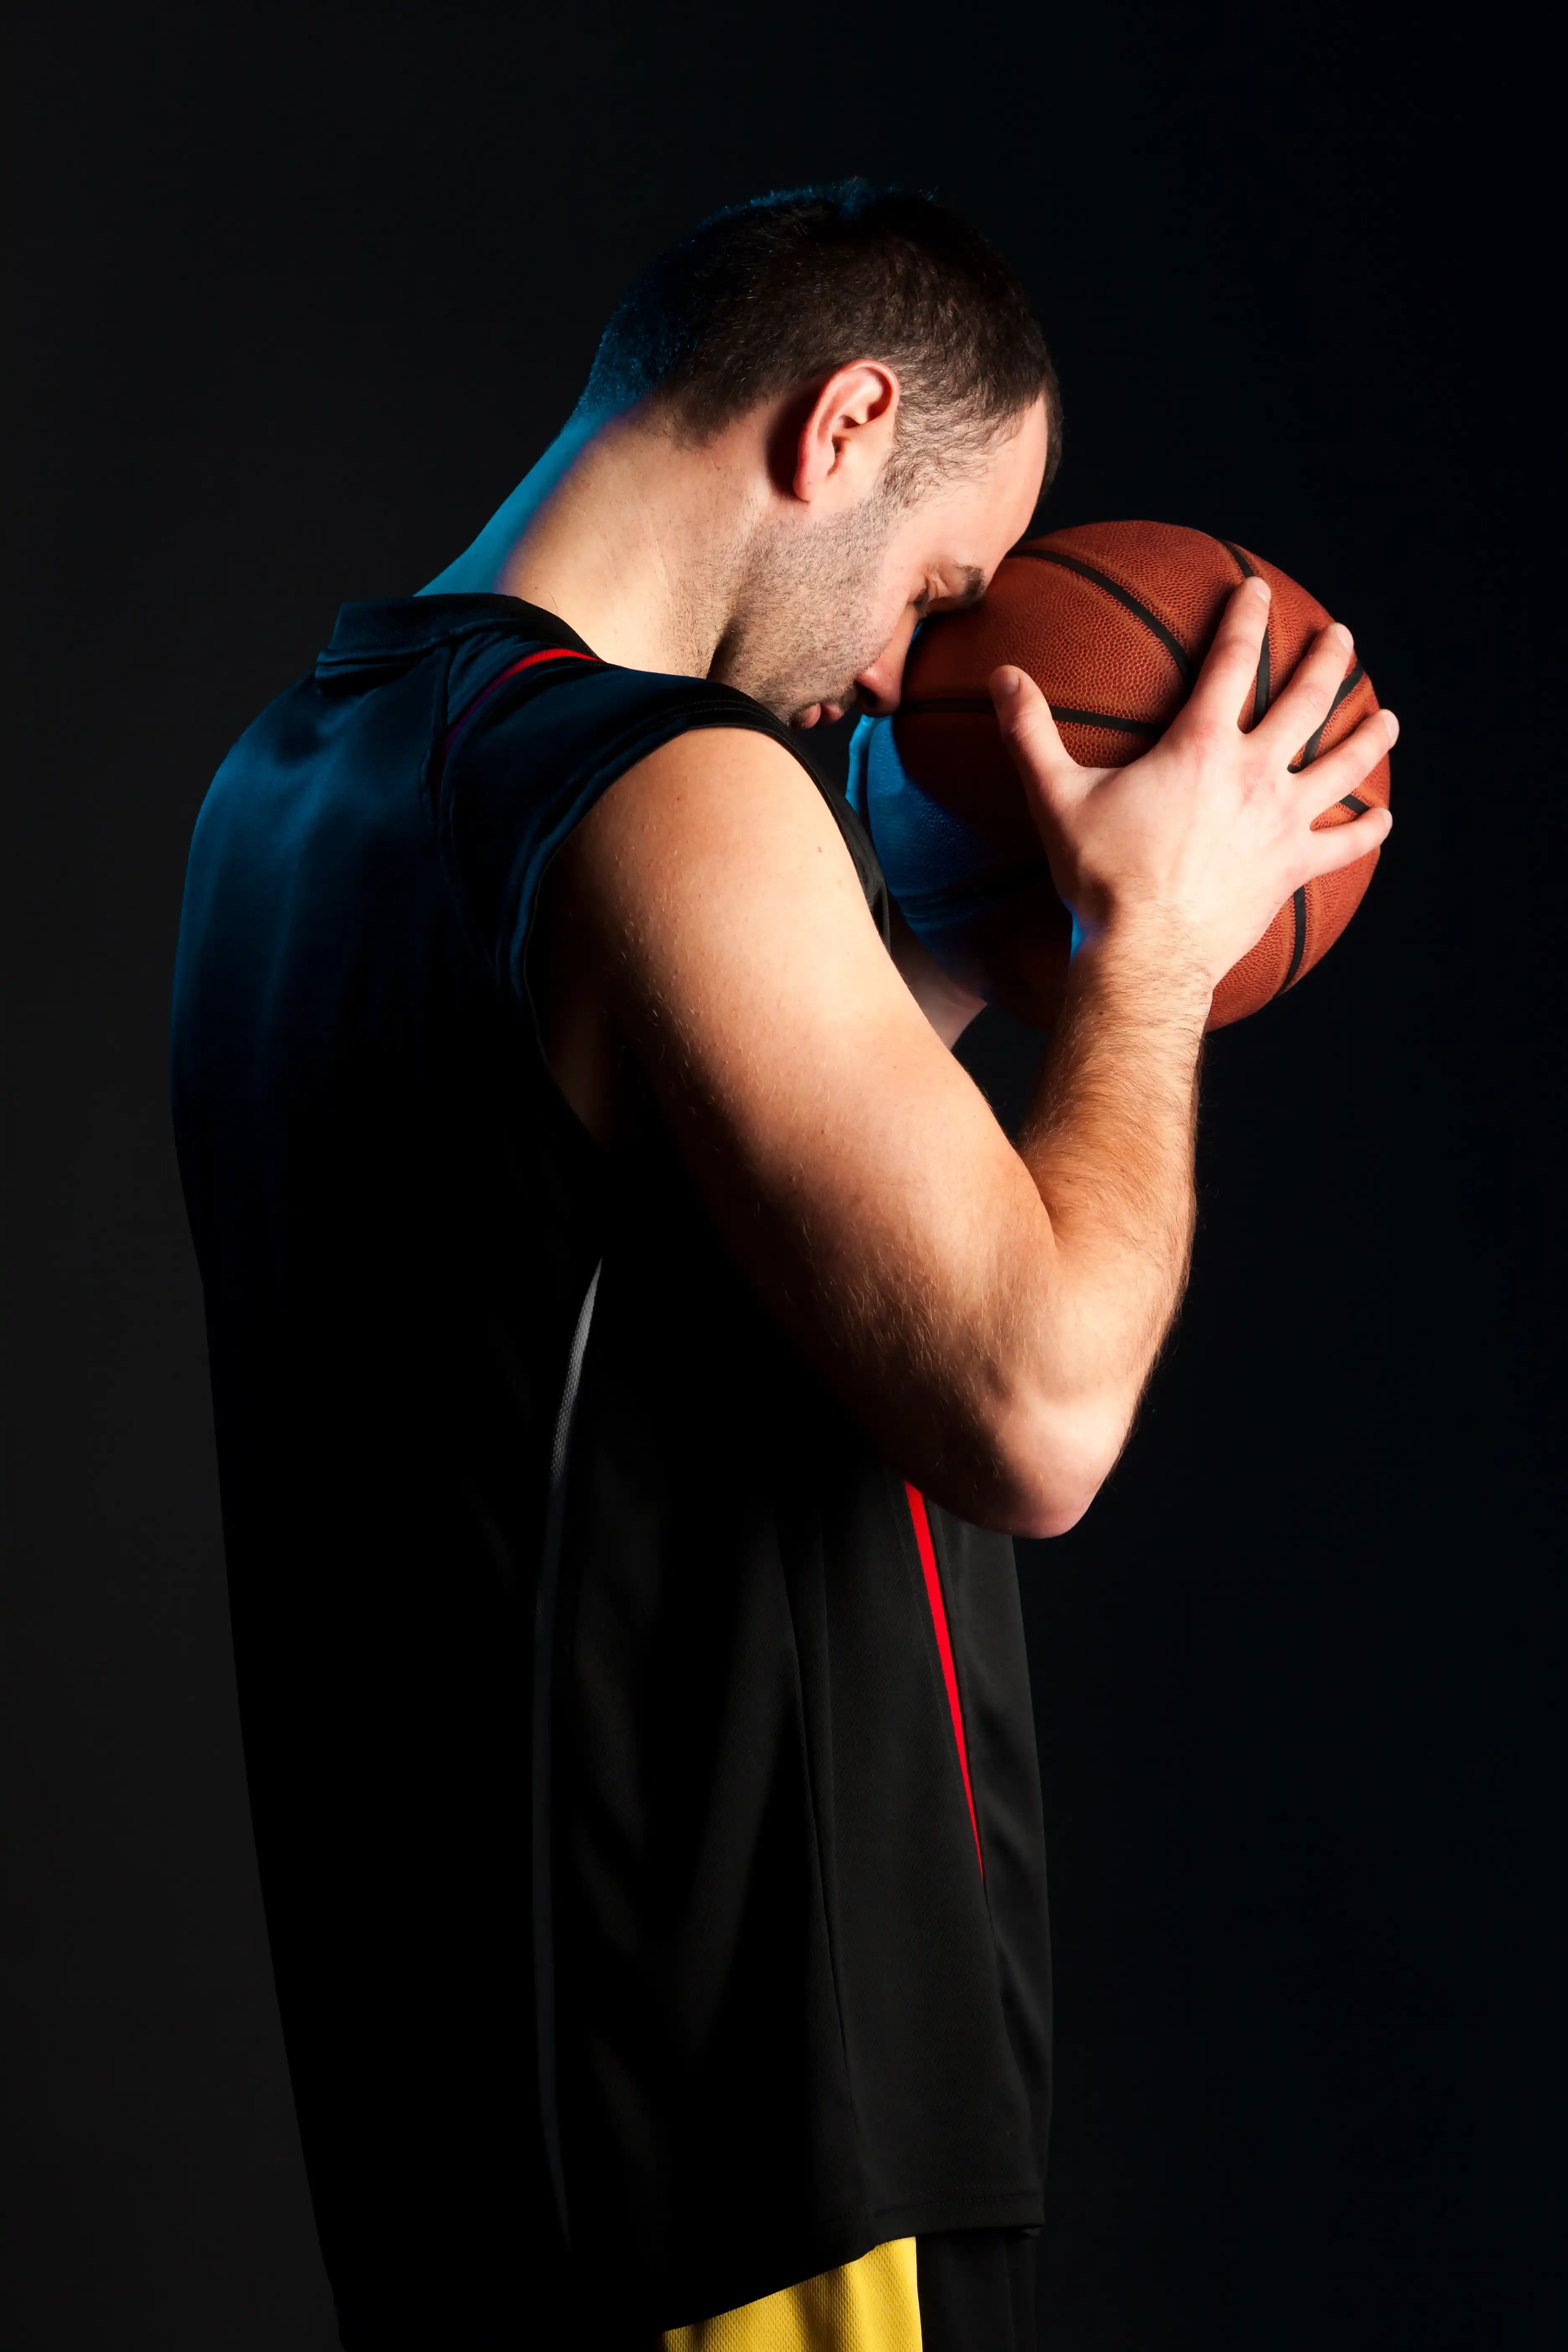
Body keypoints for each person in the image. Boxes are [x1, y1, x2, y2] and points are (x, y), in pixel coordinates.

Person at [170, 183, 1394, 2351]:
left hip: (494, 2133)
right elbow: (1039, 1406)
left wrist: (929, 924)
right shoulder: (677, 796)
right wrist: (1158, 951)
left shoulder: (295, 790)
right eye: (936, 586)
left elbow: (624, 1260)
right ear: (843, 424)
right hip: (762, 2131)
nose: (915, 672)